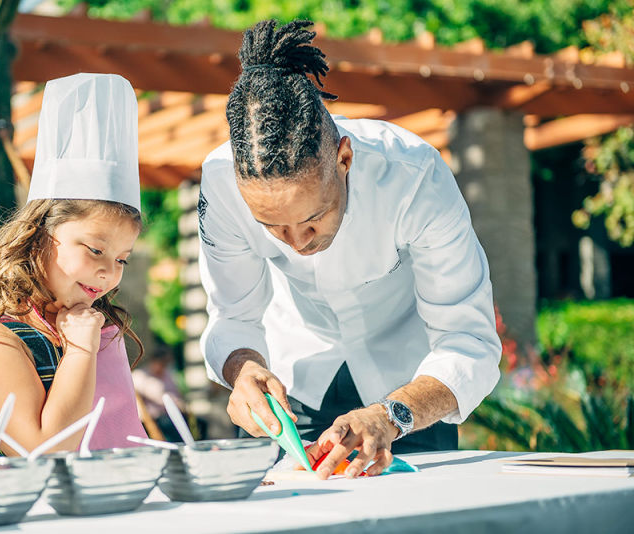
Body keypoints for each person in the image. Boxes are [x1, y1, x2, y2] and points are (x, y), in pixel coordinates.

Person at [198, 20, 502, 479]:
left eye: (312, 220)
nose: (299, 245)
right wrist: (242, 370)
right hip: (292, 385)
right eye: (272, 228)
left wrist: (391, 415)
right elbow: (233, 316)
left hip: (410, 394)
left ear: (344, 159)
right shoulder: (220, 183)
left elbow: (469, 340)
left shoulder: (415, 176)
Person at [0, 73, 148, 455]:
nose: (109, 271)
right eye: (94, 249)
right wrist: (79, 351)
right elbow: (44, 453)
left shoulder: (90, 322)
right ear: (39, 235)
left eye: (122, 258)